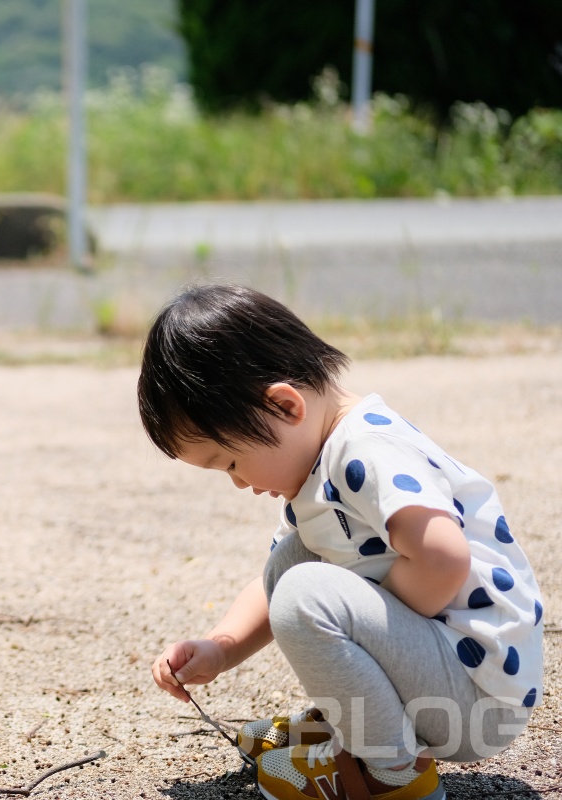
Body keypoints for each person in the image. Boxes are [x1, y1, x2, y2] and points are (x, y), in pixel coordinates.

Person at [138, 284, 543, 800]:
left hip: (476, 696)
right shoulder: (318, 472)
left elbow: (443, 558)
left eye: (231, 462)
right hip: (444, 676)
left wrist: (365, 613)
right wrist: (220, 649)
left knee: (309, 595)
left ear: (286, 406)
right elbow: (274, 583)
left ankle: (389, 773)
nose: (238, 483)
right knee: (295, 564)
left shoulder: (366, 452)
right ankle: (348, 726)